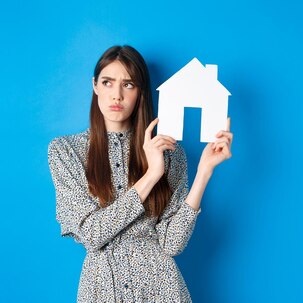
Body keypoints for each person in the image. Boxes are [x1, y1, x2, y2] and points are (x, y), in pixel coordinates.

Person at [47, 45, 233, 302]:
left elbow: (172, 244)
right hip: (102, 291)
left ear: (140, 92)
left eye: (129, 85)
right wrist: (151, 174)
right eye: (108, 82)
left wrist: (204, 172)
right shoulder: (66, 151)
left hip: (162, 290)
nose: (117, 95)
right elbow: (91, 235)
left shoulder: (170, 153)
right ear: (95, 86)